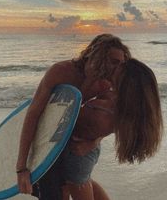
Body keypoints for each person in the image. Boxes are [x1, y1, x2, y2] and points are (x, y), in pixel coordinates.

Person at [16, 34, 131, 198]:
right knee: (59, 191)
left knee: (76, 181)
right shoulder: (61, 72)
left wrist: (93, 142)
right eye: (113, 61)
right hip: (49, 140)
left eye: (121, 63)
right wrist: (22, 167)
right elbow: (33, 114)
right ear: (95, 54)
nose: (117, 68)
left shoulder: (106, 83)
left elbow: (113, 121)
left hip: (80, 146)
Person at [60, 58, 163, 200]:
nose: (114, 68)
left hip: (77, 154)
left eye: (118, 69)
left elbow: (68, 112)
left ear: (125, 82)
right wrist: (94, 142)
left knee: (80, 184)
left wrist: (89, 81)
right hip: (86, 151)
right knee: (85, 182)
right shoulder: (123, 106)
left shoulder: (105, 112)